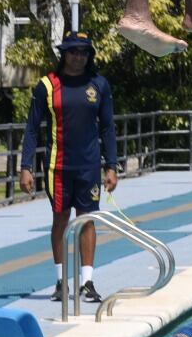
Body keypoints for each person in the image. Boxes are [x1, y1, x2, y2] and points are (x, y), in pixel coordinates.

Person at [17, 31, 118, 302]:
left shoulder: (99, 84)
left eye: (84, 52)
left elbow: (108, 128)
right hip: (57, 167)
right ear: (64, 54)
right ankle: (61, 281)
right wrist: (25, 166)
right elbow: (31, 129)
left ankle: (87, 282)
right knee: (60, 220)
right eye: (73, 51)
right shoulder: (47, 86)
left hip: (89, 167)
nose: (78, 57)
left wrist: (111, 166)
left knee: (87, 220)